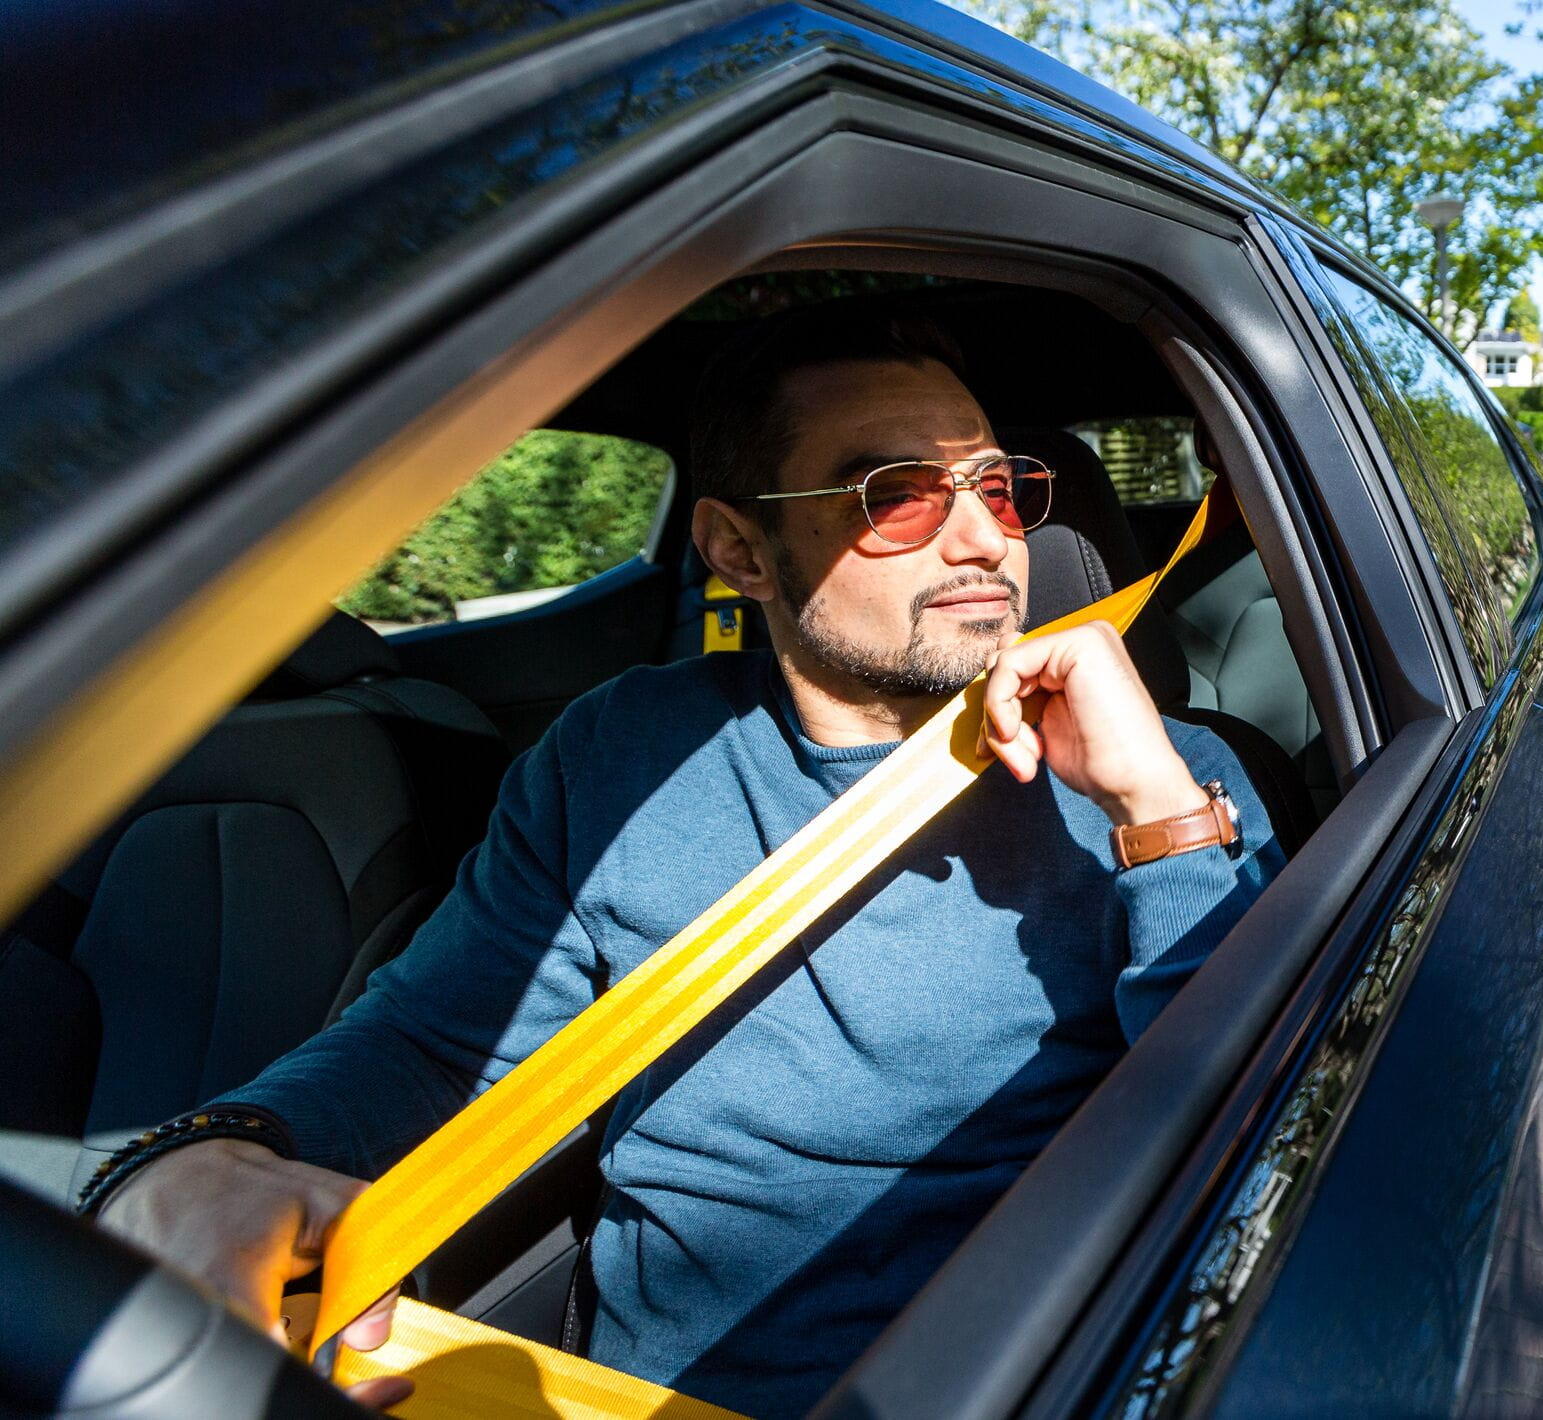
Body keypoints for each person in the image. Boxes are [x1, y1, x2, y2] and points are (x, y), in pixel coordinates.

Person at [86, 303, 1283, 1417]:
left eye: (999, 487)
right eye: (898, 494)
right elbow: (438, 1038)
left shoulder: (1162, 774)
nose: (983, 537)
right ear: (738, 549)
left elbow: (1271, 1134)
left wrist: (1156, 812)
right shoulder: (623, 751)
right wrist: (210, 1153)